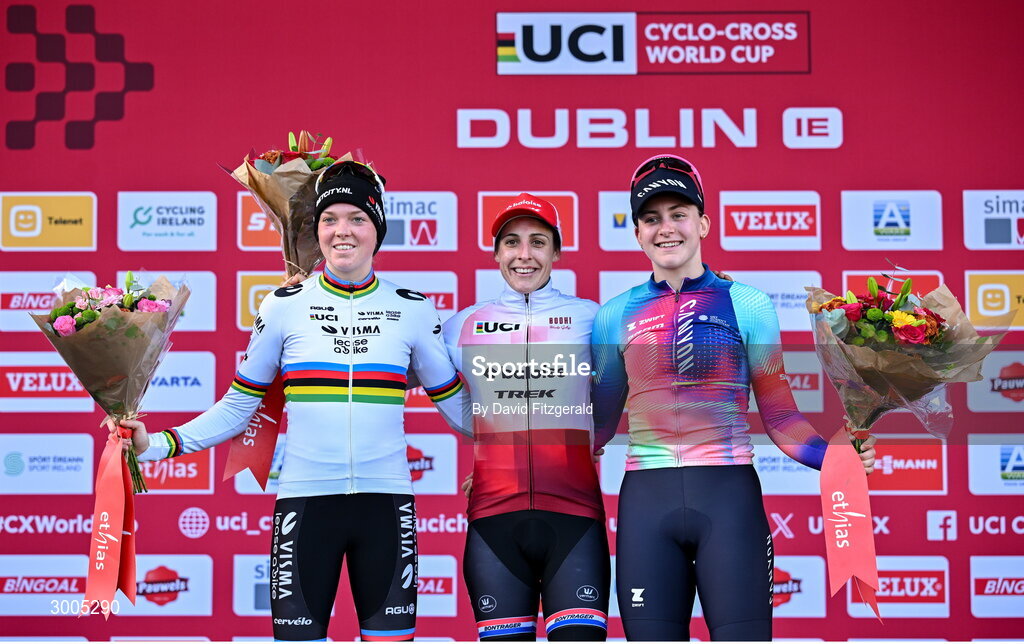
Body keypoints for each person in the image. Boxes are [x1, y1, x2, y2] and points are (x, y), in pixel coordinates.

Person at [118, 159, 470, 642]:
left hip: (386, 507)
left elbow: (460, 411)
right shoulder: (283, 305)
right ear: (316, 230)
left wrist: (550, 430)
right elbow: (238, 406)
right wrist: (154, 444)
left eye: (357, 219)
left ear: (378, 230)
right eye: (330, 219)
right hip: (305, 505)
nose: (342, 231)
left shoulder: (412, 308)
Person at [590, 155, 876, 641]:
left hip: (728, 501)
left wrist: (836, 459)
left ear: (702, 222)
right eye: (651, 218)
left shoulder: (748, 304)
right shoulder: (613, 315)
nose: (666, 229)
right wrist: (509, 460)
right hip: (645, 505)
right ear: (637, 232)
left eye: (678, 214)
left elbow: (781, 415)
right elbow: (595, 426)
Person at [442, 194, 610, 641]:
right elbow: (440, 390)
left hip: (575, 516)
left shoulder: (594, 319)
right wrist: (489, 439)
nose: (524, 255)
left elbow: (638, 384)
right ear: (496, 253)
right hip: (495, 518)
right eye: (512, 242)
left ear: (556, 253)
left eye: (538, 242)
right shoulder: (461, 325)